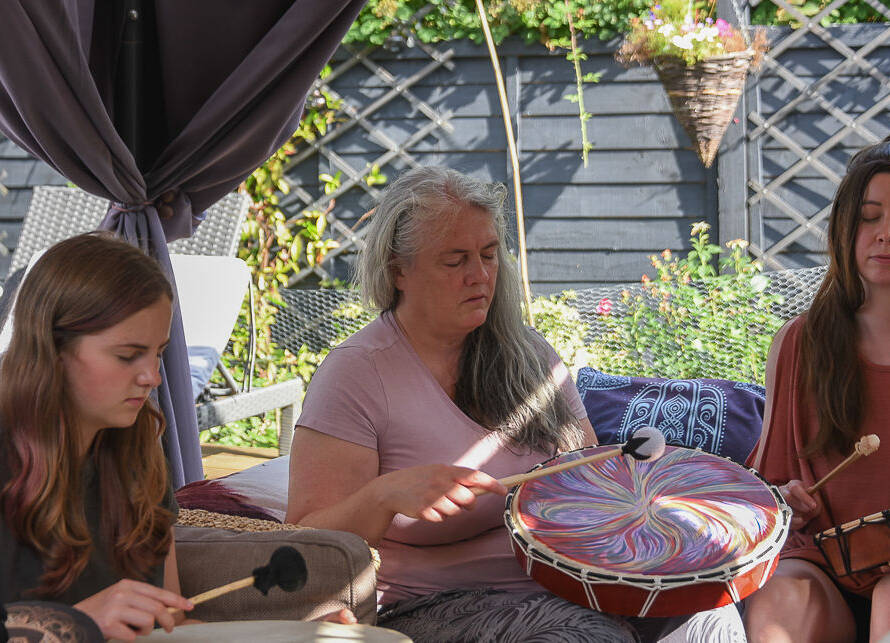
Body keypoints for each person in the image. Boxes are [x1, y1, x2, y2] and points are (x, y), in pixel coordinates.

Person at [286, 166, 744, 642]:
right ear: (399, 269)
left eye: (488, 255)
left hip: (575, 583)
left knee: (711, 614)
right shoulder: (357, 373)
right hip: (429, 604)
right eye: (454, 260)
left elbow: (592, 475)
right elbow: (306, 538)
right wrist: (382, 496)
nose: (479, 275)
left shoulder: (530, 355)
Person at [0, 233, 193, 641]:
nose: (152, 378)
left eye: (157, 352)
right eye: (127, 355)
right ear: (53, 347)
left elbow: (173, 623)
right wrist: (73, 625)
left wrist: (291, 634)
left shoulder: (138, 447)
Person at [745, 138, 890, 642]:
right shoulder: (800, 343)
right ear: (845, 231)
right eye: (869, 218)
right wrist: (785, 497)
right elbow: (765, 483)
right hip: (821, 561)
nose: (884, 235)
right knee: (780, 601)